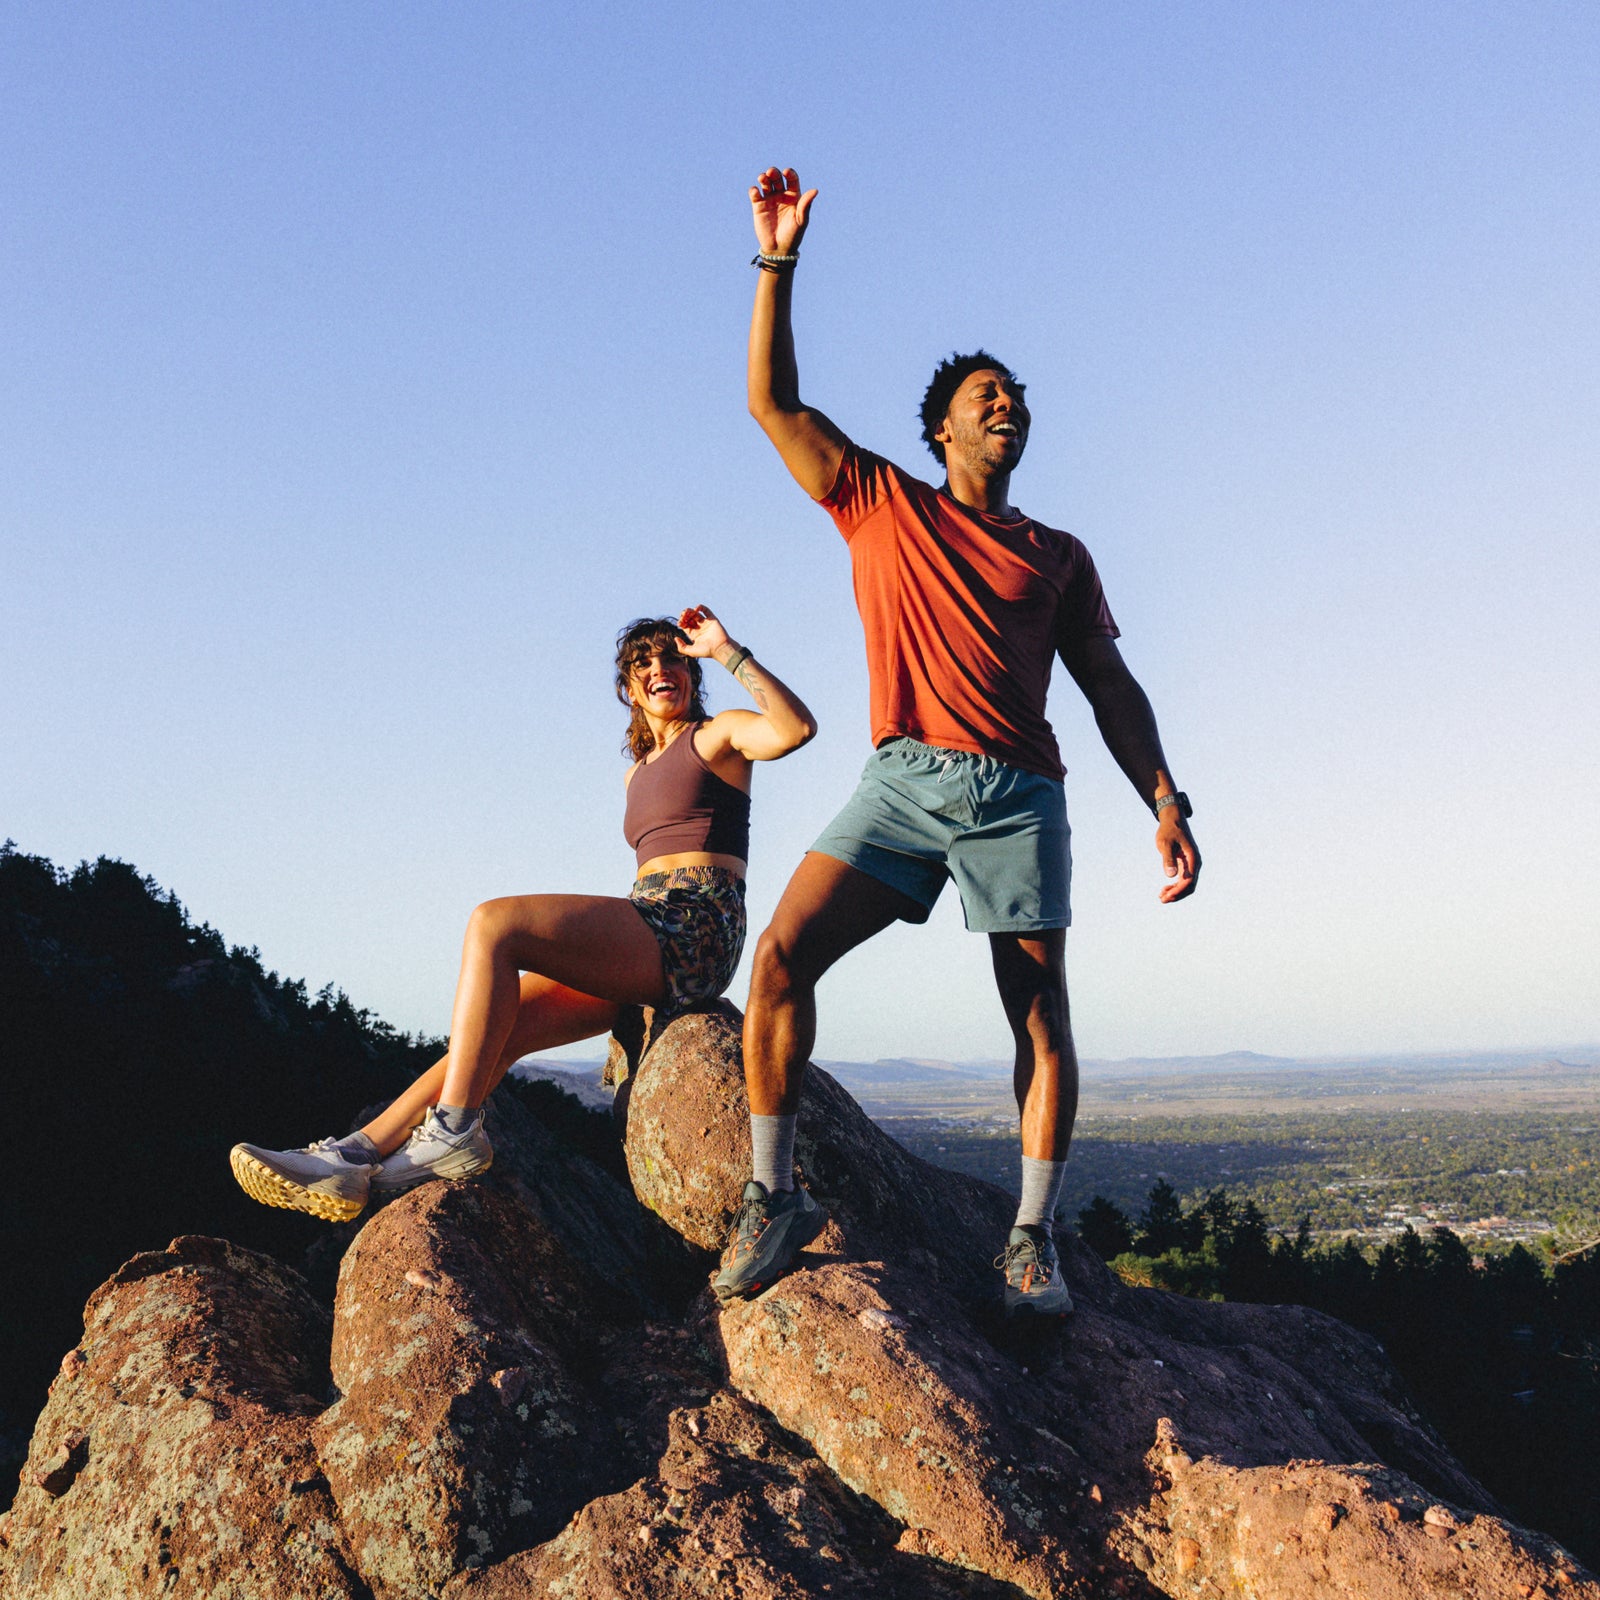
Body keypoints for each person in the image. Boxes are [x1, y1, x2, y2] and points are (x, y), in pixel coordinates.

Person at [714, 168, 1202, 1316]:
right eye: (986, 394)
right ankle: (772, 1193)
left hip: (1018, 794)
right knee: (779, 959)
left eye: (1015, 397)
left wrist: (1166, 799)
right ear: (940, 427)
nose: (1006, 404)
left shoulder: (1058, 551)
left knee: (1037, 1011)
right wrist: (776, 263)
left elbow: (1109, 684)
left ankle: (1032, 1241)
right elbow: (772, 404)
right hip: (901, 782)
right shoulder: (878, 498)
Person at [231, 605, 816, 1223]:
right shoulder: (635, 775)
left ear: (693, 675)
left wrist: (726, 650)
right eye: (642, 664)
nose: (659, 670)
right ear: (627, 689)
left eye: (673, 658)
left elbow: (794, 728)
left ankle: (454, 1129)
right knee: (497, 1032)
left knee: (494, 924)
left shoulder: (717, 735)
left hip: (694, 926)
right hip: (646, 927)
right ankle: (354, 1156)